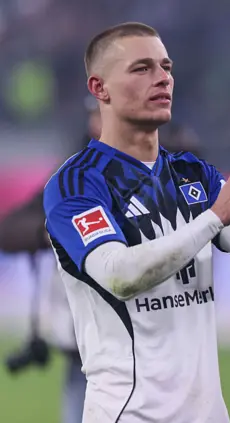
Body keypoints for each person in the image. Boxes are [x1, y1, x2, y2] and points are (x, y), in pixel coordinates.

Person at [43, 22, 230, 423]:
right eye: (142, 69)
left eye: (166, 67)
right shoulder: (76, 183)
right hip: (131, 413)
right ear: (99, 88)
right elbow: (119, 275)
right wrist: (214, 217)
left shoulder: (193, 173)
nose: (163, 79)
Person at [2, 96, 102, 423]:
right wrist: (54, 230)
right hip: (86, 354)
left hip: (151, 350)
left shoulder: (166, 164)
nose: (96, 122)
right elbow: (9, 229)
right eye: (94, 113)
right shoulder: (73, 175)